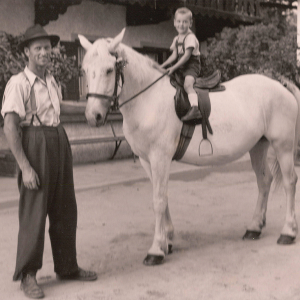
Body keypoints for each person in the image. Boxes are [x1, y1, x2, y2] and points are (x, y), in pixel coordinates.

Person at [1, 24, 97, 299]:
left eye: (47, 48)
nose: (44, 52)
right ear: (26, 53)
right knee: (34, 213)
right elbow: (10, 126)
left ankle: (67, 267)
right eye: (38, 48)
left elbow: (58, 107)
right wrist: (25, 167)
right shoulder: (19, 83)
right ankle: (27, 276)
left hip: (58, 140)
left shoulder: (51, 80)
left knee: (65, 208)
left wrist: (88, 108)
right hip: (34, 143)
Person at [161, 7, 201, 122]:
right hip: (181, 65)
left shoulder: (191, 38)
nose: (181, 25)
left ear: (190, 23)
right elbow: (174, 56)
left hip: (191, 66)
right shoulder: (176, 38)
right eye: (179, 21)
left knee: (188, 85)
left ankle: (195, 108)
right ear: (174, 22)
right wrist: (162, 66)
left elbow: (186, 56)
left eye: (185, 22)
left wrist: (173, 67)